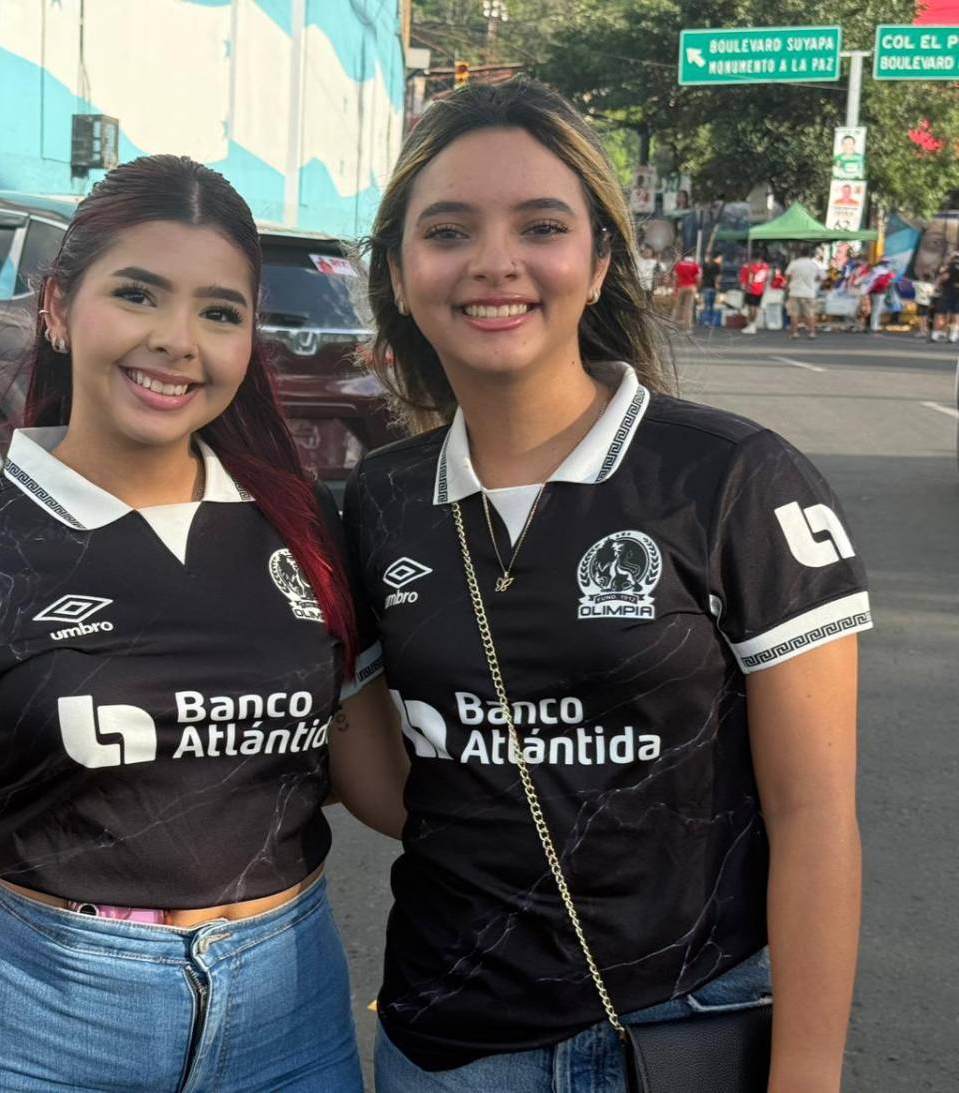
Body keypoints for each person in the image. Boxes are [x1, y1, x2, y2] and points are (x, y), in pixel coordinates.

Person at [0, 154, 405, 1093]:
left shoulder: (306, 526)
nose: (178, 341)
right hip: (40, 1016)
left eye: (219, 312)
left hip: (287, 1007)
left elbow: (385, 788)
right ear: (58, 307)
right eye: (138, 294)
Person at [351, 78, 867, 1092]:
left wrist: (806, 1076)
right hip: (444, 1047)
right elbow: (411, 794)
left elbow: (815, 815)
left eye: (540, 226)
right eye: (449, 230)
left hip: (681, 1028)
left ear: (596, 264)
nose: (495, 262)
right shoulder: (377, 501)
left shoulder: (733, 479)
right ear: (401, 276)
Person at [784, 245, 823, 338]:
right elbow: (821, 277)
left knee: (794, 313)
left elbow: (787, 275)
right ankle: (812, 332)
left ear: (799, 254)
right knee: (810, 313)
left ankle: (794, 333)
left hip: (795, 291)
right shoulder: (814, 264)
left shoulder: (794, 263)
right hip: (809, 292)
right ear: (810, 254)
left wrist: (788, 285)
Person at [739, 249, 771, 333]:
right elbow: (766, 278)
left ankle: (751, 324)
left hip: (751, 289)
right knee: (755, 307)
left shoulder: (749, 267)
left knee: (751, 307)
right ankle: (752, 324)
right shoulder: (765, 267)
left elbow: (746, 278)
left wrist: (746, 287)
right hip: (760, 289)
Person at [931, 250, 959, 342]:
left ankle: (936, 334)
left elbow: (944, 277)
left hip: (948, 291)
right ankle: (953, 335)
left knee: (940, 313)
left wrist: (936, 286)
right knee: (956, 314)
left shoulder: (950, 266)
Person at [671, 251, 701, 330]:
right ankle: (687, 327)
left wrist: (675, 287)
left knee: (678, 307)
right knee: (688, 308)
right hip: (691, 287)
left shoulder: (679, 265)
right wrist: (696, 287)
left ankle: (675, 326)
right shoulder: (695, 265)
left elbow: (675, 276)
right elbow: (698, 278)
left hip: (681, 287)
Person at [698, 252, 722, 326]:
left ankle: (704, 321)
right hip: (712, 287)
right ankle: (710, 321)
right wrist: (717, 284)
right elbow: (718, 277)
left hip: (705, 287)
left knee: (705, 305)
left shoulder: (705, 265)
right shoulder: (717, 265)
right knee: (711, 305)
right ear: (717, 257)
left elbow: (701, 276)